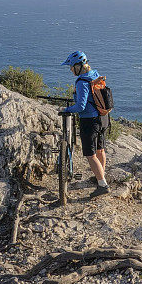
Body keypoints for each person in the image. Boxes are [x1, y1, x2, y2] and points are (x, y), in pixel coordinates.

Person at [61, 51, 110, 198]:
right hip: (104, 118)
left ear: (78, 66)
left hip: (90, 121)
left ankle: (102, 185)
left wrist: (67, 109)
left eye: (71, 67)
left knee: (90, 154)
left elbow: (81, 106)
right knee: (100, 149)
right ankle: (99, 177)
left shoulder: (82, 82)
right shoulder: (95, 75)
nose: (70, 70)